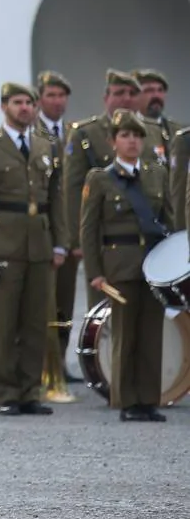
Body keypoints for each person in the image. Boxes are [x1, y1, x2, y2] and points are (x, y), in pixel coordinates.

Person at [0, 83, 66, 416]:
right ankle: (7, 392)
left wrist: (60, 242)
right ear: (4, 106)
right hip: (3, 243)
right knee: (4, 323)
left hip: (38, 242)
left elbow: (57, 199)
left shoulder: (47, 145)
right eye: (17, 102)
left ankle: (30, 391)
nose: (24, 108)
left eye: (29, 102)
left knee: (36, 322)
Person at [80, 110, 173, 422]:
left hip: (154, 265)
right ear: (112, 141)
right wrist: (95, 272)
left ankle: (149, 399)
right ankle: (127, 400)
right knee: (125, 335)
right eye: (125, 136)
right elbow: (89, 229)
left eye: (136, 136)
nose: (132, 141)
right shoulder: (100, 179)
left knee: (151, 334)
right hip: (120, 267)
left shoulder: (156, 174)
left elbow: (167, 221)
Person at [63, 70, 148, 313]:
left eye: (132, 93)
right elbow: (73, 189)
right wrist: (77, 238)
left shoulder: (150, 132)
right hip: (104, 238)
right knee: (105, 314)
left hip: (144, 237)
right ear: (106, 98)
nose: (126, 99)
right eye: (119, 93)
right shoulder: (85, 134)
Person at [34, 70, 80, 375]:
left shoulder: (76, 134)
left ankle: (59, 361)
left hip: (67, 230)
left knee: (64, 300)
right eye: (51, 95)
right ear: (40, 99)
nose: (57, 101)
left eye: (62, 95)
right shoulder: (31, 133)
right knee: (37, 300)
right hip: (38, 229)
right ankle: (37, 362)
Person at [133, 68, 180, 164]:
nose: (156, 95)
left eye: (160, 90)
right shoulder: (129, 130)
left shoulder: (175, 130)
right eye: (149, 90)